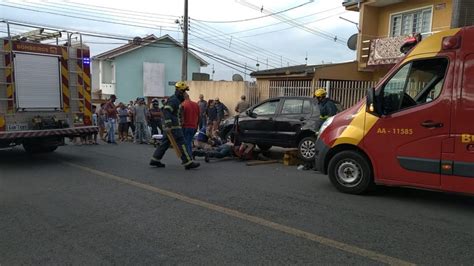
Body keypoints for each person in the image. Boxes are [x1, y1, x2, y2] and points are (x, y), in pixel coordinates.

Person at [149, 81, 200, 170]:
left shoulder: (175, 99)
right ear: (180, 91)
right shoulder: (174, 100)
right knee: (182, 143)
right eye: (184, 91)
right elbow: (166, 111)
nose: (185, 93)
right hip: (174, 127)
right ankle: (188, 162)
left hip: (170, 127)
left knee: (164, 144)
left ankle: (155, 159)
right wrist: (169, 124)